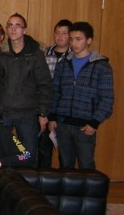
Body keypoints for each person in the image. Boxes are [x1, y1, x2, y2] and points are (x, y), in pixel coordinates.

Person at [49, 22, 114, 169]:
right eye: (71, 39)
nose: (73, 43)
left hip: (86, 126)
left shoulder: (101, 66)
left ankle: (88, 193)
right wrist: (52, 116)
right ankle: (67, 193)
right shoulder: (63, 63)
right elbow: (55, 91)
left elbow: (107, 99)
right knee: (65, 165)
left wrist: (94, 122)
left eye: (78, 39)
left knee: (86, 165)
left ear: (89, 40)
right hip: (63, 123)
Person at [0, 13, 52, 160]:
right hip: (4, 112)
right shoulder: (0, 55)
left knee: (28, 154)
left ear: (25, 30)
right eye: (10, 25)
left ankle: (26, 182)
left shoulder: (36, 55)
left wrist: (43, 113)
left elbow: (45, 85)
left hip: (28, 114)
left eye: (18, 26)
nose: (13, 29)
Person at [39, 19, 71, 168]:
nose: (60, 36)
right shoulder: (45, 54)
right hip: (44, 109)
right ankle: (44, 183)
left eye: (64, 33)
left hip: (65, 111)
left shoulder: (74, 56)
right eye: (57, 33)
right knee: (43, 149)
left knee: (65, 151)